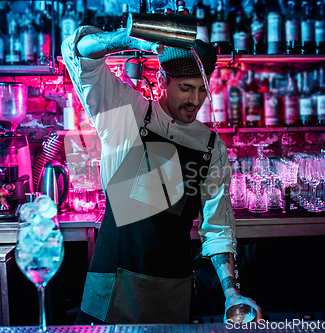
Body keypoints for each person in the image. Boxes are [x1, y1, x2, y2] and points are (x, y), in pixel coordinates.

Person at [61, 23, 261, 324]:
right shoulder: (125, 112)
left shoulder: (211, 146)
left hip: (171, 293)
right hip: (112, 286)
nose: (195, 100)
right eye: (185, 88)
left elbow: (218, 229)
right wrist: (130, 38)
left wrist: (231, 291)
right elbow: (77, 53)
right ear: (163, 79)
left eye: (201, 90)